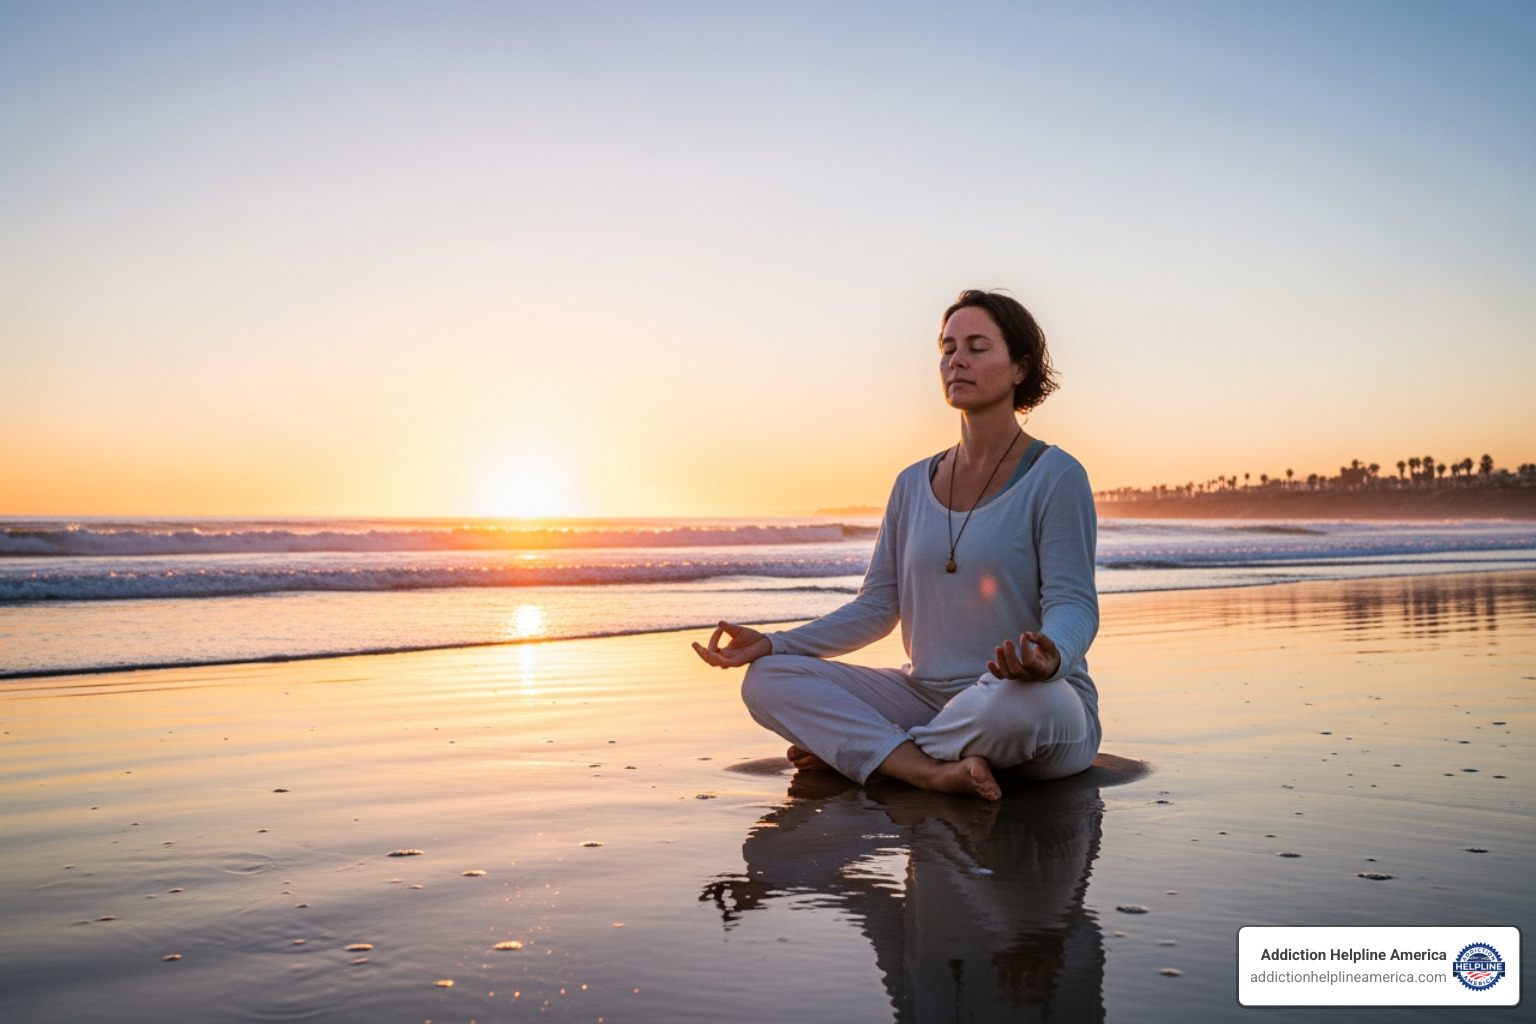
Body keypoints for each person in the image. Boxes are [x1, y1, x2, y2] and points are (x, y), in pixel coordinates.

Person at [692, 289, 1099, 801]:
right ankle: (927, 769)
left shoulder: (1056, 476)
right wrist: (775, 642)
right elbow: (877, 608)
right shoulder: (912, 483)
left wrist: (1052, 655)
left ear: (1020, 368)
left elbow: (1074, 604)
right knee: (767, 679)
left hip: (1029, 700)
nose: (957, 361)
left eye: (977, 347)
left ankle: (875, 754)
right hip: (925, 697)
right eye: (948, 348)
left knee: (1015, 710)